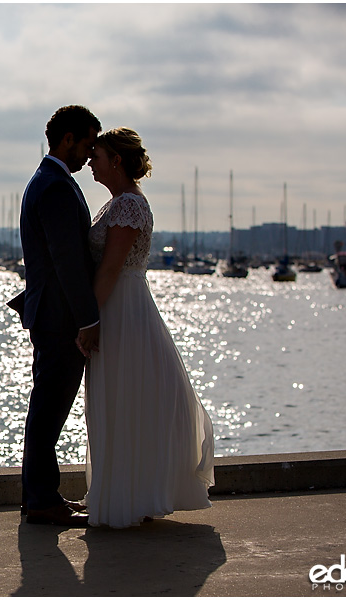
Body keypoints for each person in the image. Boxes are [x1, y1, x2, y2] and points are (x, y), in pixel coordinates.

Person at [82, 127, 215, 528]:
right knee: (121, 400)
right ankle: (126, 493)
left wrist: (89, 321)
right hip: (123, 304)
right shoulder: (118, 203)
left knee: (126, 398)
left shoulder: (127, 206)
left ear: (116, 161)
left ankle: (130, 496)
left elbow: (110, 268)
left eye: (98, 156)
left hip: (122, 307)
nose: (91, 162)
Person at [17, 105, 101, 526]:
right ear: (66, 139)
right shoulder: (53, 186)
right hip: (59, 317)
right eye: (86, 144)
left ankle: (39, 495)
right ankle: (41, 499)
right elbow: (67, 261)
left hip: (51, 312)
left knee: (47, 407)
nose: (89, 155)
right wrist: (89, 320)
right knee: (49, 408)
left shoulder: (49, 182)